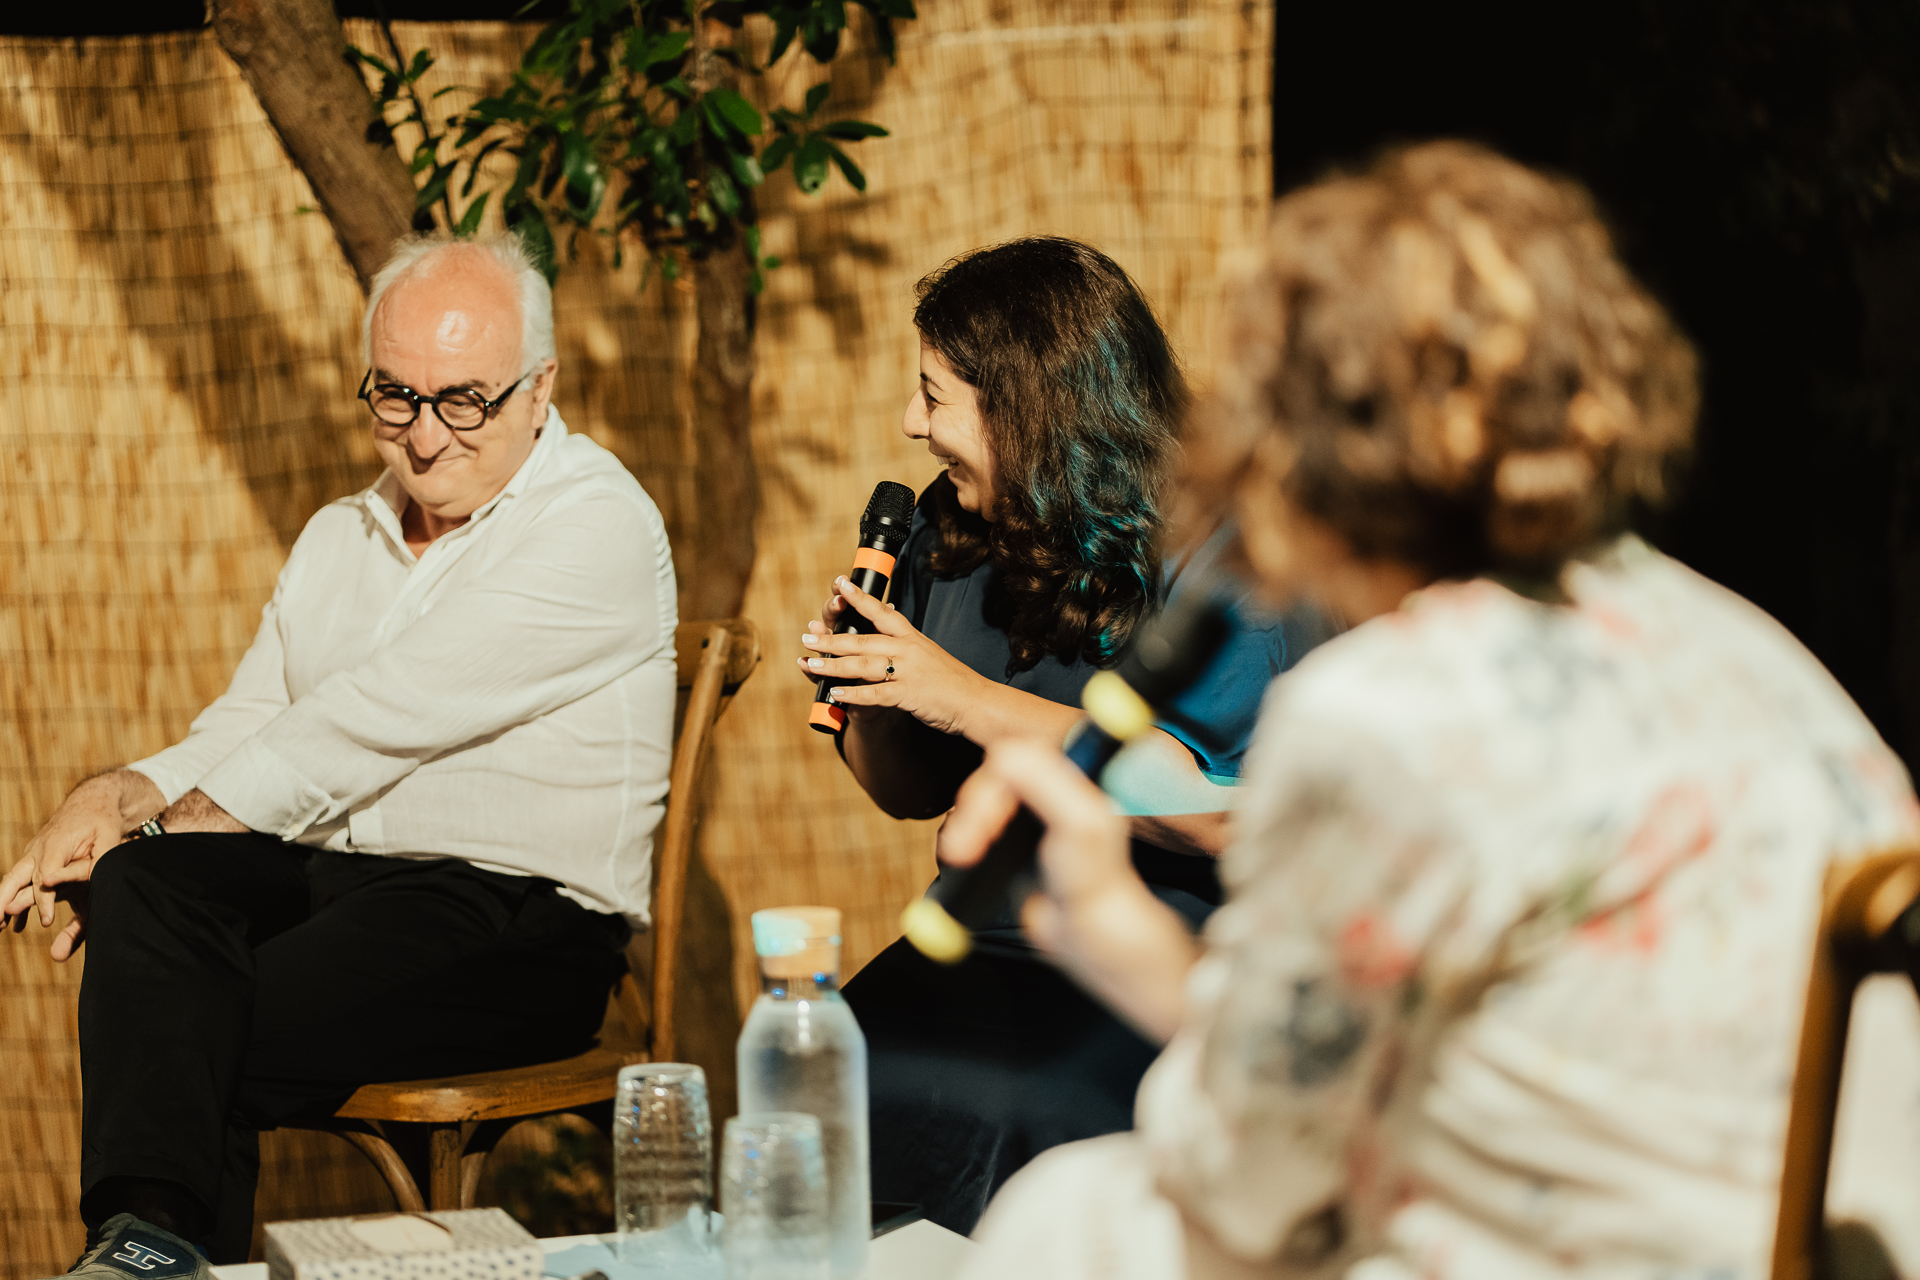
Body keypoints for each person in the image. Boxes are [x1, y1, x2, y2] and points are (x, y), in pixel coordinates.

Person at [938, 144, 1920, 1279]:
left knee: (1065, 1214)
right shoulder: (1743, 644)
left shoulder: (1382, 716)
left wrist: (1109, 919)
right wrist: (1134, 940)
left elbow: (1244, 1176)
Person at [3, 233, 678, 1273]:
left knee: (188, 1024)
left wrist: (157, 833)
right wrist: (116, 798)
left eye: (465, 400)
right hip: (341, 883)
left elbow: (368, 719)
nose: (425, 436)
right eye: (396, 395)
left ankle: (156, 1248)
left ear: (540, 388)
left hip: (520, 915)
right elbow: (249, 721)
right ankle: (145, 1249)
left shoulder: (596, 522)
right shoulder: (339, 535)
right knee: (149, 887)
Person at [798, 236, 1315, 1234]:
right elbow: (905, 792)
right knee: (826, 1066)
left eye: (934, 395)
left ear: (1027, 405)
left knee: (1017, 1116)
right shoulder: (952, 529)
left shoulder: (1215, 547)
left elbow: (1215, 812)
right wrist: (872, 686)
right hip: (979, 936)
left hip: (1150, 950)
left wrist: (963, 697)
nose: (911, 424)